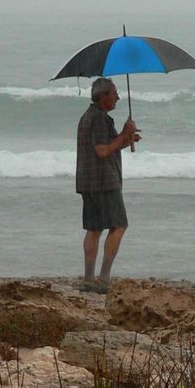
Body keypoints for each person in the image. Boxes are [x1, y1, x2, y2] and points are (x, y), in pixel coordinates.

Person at [76, 77, 140, 291]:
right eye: (114, 93)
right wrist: (123, 133)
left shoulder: (88, 117)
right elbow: (102, 151)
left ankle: (88, 278)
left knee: (94, 228)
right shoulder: (101, 119)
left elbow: (105, 147)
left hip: (88, 181)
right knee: (119, 225)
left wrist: (125, 139)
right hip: (105, 182)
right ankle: (103, 279)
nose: (118, 97)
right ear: (103, 96)